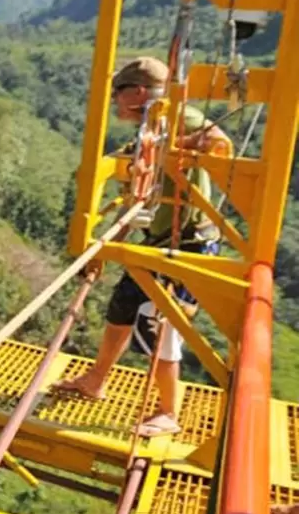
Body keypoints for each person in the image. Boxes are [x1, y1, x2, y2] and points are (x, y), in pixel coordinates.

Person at [55, 56, 231, 437]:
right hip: (160, 238)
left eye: (119, 95)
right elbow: (134, 189)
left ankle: (169, 412)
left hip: (189, 246)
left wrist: (170, 151)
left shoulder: (180, 117)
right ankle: (96, 379)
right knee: (122, 307)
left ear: (136, 92)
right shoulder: (153, 126)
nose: (117, 105)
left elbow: (219, 143)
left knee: (160, 325)